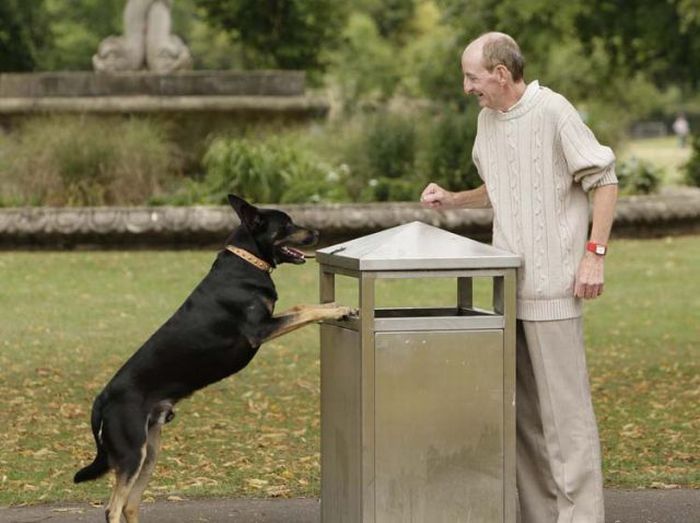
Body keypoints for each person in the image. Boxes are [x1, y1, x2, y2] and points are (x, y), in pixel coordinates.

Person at [420, 32, 618, 523]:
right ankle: (541, 515)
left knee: (565, 419)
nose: (467, 88)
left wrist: (594, 255)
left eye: (471, 77)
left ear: (501, 74)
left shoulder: (554, 112)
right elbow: (501, 186)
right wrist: (453, 198)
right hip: (507, 290)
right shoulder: (488, 121)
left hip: (554, 288)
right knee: (525, 417)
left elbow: (604, 179)